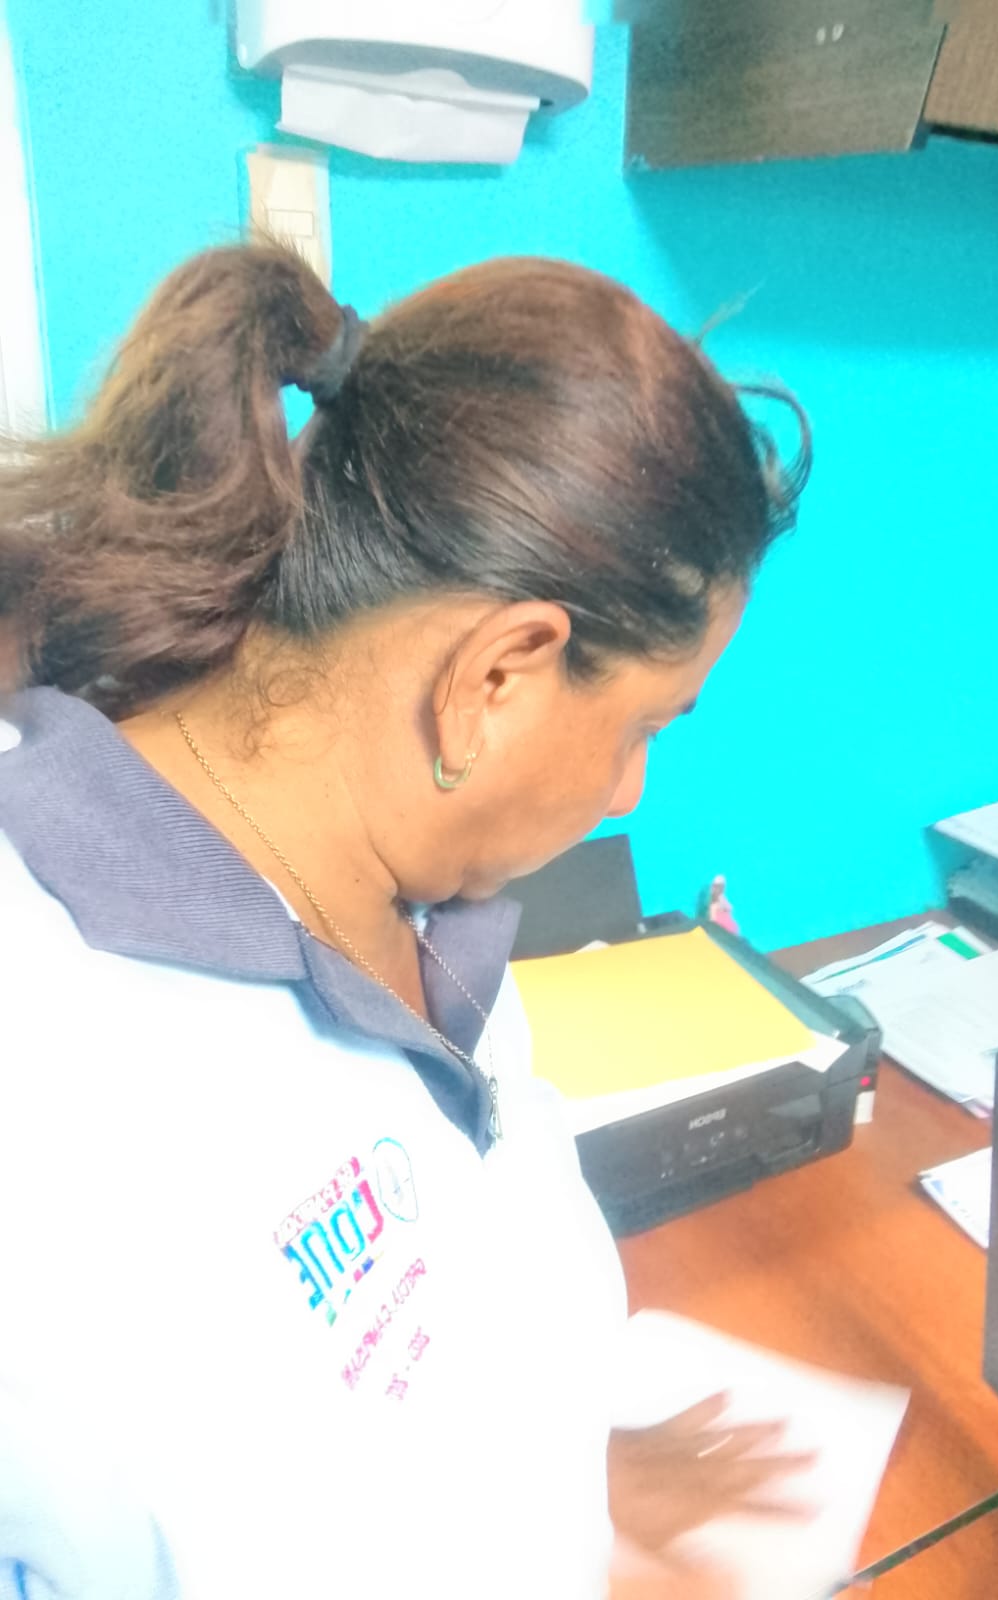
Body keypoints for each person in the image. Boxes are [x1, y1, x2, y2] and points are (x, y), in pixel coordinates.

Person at [0, 244, 811, 1599]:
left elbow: (447, 1332)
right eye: (644, 727)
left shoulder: (413, 897)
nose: (629, 792)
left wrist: (571, 1477)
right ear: (497, 676)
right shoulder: (56, 1103)